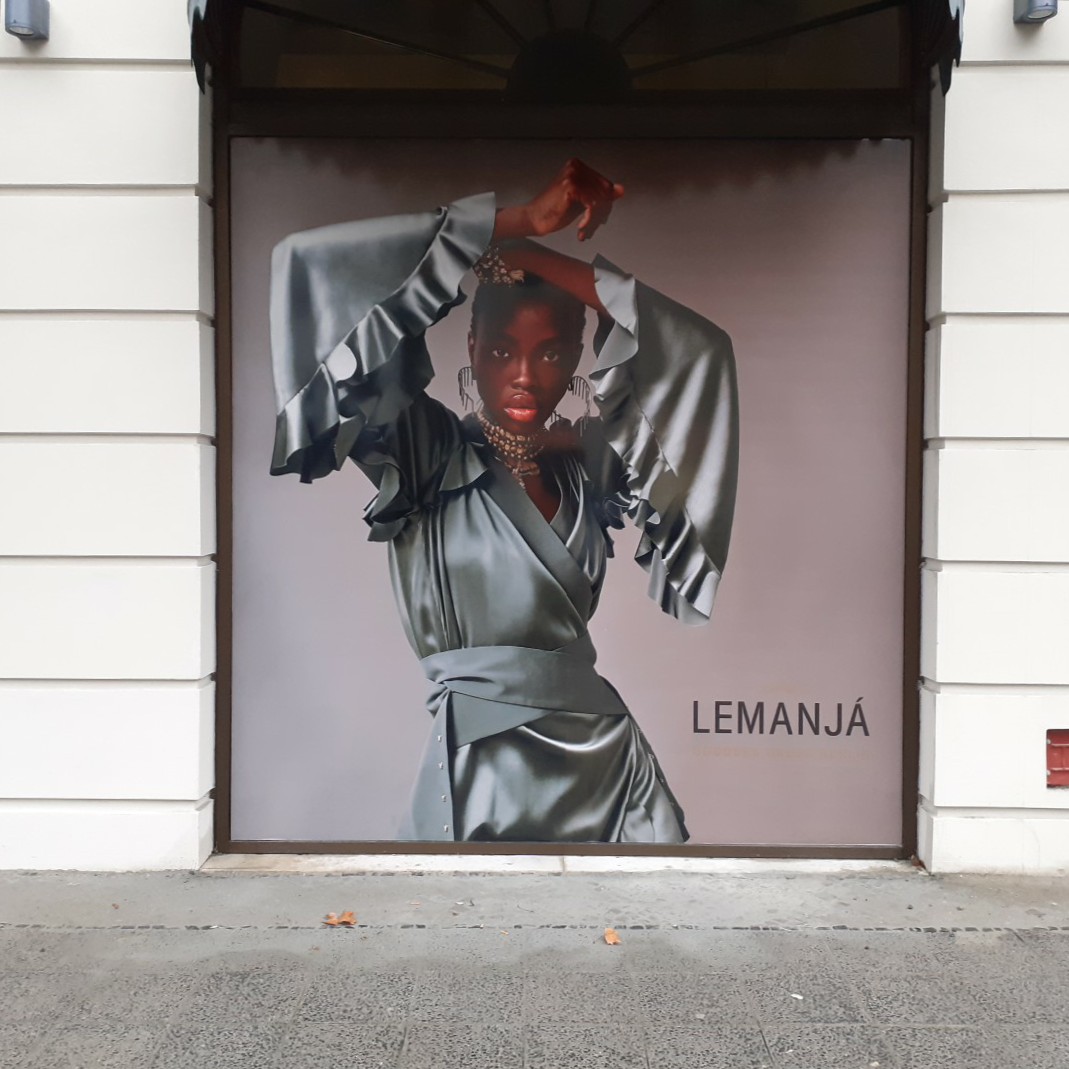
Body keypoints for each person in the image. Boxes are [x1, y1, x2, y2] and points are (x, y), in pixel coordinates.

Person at [269, 160, 739, 843]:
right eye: (500, 351)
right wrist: (511, 226)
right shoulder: (426, 452)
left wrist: (534, 258)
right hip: (478, 771)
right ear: (471, 346)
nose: (523, 376)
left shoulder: (590, 466)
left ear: (577, 357)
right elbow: (306, 263)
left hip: (609, 769)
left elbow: (700, 351)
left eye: (550, 354)